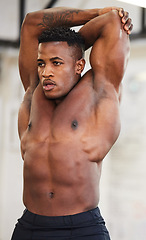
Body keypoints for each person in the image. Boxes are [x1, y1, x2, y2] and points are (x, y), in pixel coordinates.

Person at [11, 6, 132, 240]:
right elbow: (31, 22)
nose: (46, 71)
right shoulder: (33, 90)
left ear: (79, 65)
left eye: (56, 63)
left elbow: (111, 22)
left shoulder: (99, 90)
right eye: (41, 63)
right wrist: (63, 48)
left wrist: (71, 45)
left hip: (81, 229)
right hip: (30, 226)